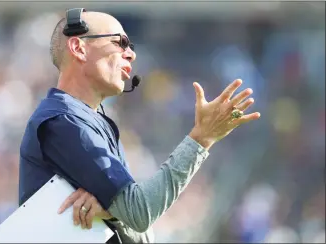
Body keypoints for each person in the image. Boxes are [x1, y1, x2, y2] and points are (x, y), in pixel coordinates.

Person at [18, 8, 260, 243]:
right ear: (79, 48)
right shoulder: (65, 121)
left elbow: (143, 234)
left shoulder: (92, 121)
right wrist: (201, 139)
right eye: (119, 42)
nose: (131, 54)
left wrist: (114, 215)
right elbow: (141, 213)